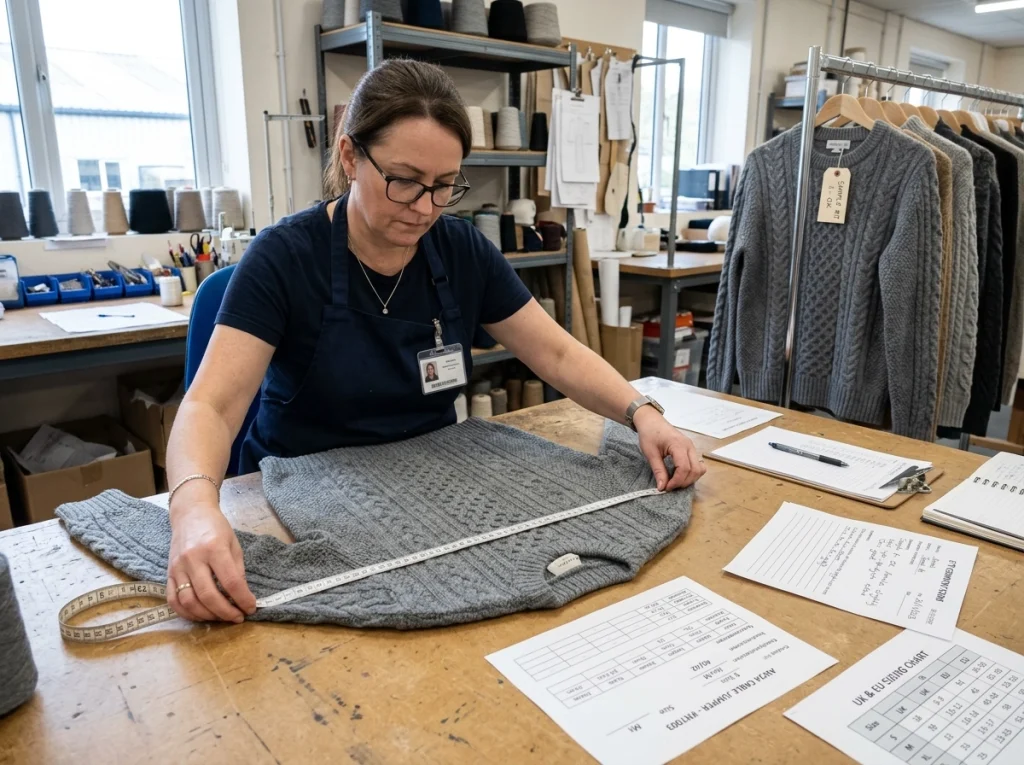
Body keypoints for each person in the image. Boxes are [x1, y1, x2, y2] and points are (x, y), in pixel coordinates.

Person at [164, 59, 706, 625]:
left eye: (444, 186)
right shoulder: (283, 258)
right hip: (301, 491)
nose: (424, 208)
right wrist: (195, 508)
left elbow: (558, 352)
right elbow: (211, 405)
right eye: (403, 181)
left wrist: (642, 413)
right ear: (350, 157)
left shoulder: (461, 250)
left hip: (428, 484)